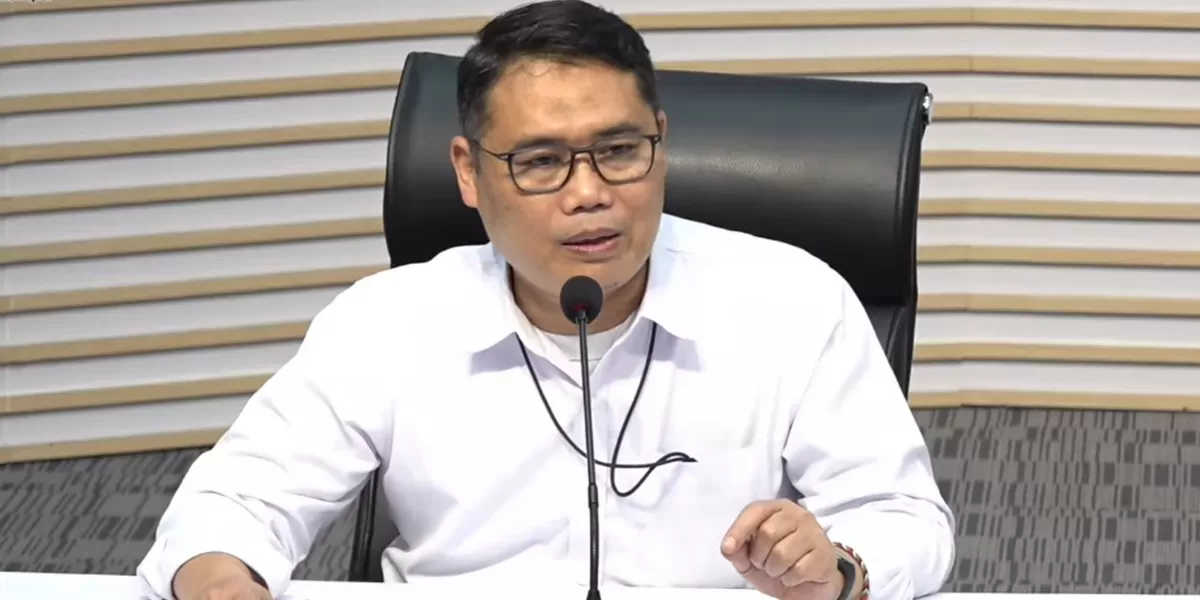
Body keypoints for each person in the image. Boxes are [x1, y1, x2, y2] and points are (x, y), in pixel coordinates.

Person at [137, 1, 956, 599]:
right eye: (539, 162)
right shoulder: (388, 321)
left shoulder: (790, 300)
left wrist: (838, 568)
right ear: (468, 172)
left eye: (620, 150)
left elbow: (905, 517)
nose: (589, 193)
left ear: (662, 142)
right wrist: (220, 580)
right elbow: (233, 502)